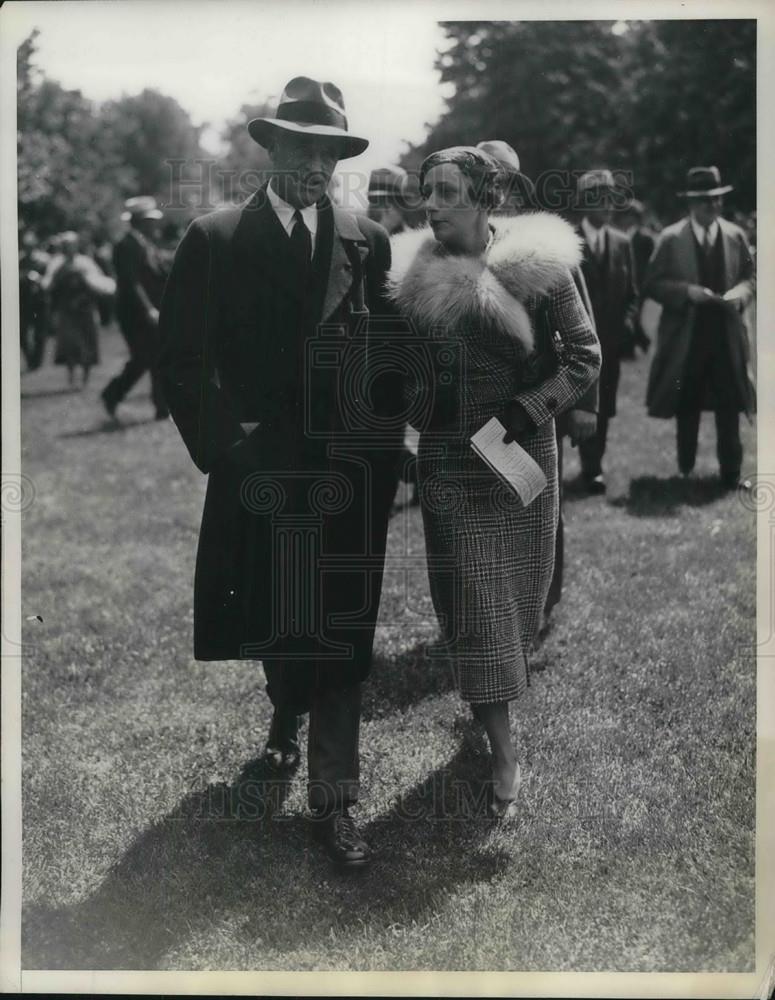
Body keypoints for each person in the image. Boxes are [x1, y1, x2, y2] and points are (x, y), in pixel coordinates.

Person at [158, 76, 401, 869]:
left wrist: (384, 444)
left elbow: (387, 358)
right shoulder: (216, 238)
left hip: (346, 480)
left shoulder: (367, 238)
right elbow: (183, 364)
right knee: (273, 614)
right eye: (301, 147)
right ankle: (281, 720)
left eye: (328, 151)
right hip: (261, 474)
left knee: (340, 627)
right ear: (272, 149)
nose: (315, 164)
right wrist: (232, 450)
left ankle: (335, 800)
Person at [386, 147, 600, 818]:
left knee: (518, 604)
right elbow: (395, 367)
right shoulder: (412, 273)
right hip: (450, 460)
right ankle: (503, 750)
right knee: (475, 606)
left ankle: (492, 711)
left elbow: (584, 356)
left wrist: (526, 410)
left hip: (519, 459)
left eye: (447, 192)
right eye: (427, 193)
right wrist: (409, 417)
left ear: (485, 199)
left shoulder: (539, 265)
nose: (432, 206)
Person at [476, 140, 598, 633]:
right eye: (487, 181)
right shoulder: (465, 240)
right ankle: (494, 609)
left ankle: (544, 598)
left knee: (543, 500)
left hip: (542, 399)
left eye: (504, 182)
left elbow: (582, 335)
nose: (497, 192)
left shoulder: (547, 243)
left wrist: (586, 404)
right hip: (482, 405)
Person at [643, 166, 755, 489]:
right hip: (687, 336)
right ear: (691, 204)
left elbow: (752, 278)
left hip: (726, 334)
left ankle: (731, 473)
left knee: (730, 402)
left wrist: (740, 294)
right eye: (706, 201)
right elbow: (652, 284)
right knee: (687, 402)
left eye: (717, 200)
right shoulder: (671, 238)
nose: (713, 207)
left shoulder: (735, 236)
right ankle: (686, 469)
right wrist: (686, 293)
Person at [574, 169, 640, 494]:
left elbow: (632, 293)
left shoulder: (623, 243)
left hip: (610, 344)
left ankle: (593, 467)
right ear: (585, 203)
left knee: (605, 407)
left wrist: (628, 321)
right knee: (578, 406)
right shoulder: (568, 241)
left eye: (611, 200)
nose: (608, 206)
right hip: (575, 345)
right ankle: (584, 465)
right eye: (600, 199)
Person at [365, 165, 420, 509]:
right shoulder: (359, 237)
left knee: (388, 436)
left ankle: (408, 476)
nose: (380, 206)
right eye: (374, 198)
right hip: (364, 355)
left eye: (388, 200)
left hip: (400, 357)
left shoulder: (416, 244)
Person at [101, 196, 169, 420]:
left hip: (149, 311)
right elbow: (131, 283)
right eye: (150, 221)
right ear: (139, 222)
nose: (154, 225)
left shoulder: (146, 244)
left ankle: (161, 408)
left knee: (154, 356)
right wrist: (148, 309)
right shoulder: (125, 246)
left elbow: (159, 276)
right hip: (134, 313)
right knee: (144, 357)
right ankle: (112, 394)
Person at [42, 231, 115, 388]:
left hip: (85, 308)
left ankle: (85, 379)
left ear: (76, 246)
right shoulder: (56, 264)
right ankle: (71, 378)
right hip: (66, 309)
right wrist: (58, 277)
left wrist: (85, 280)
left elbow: (101, 285)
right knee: (69, 345)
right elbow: (48, 285)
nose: (69, 248)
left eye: (71, 245)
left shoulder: (85, 262)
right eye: (66, 246)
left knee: (87, 343)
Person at [620, 198, 657, 359]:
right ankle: (640, 342)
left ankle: (636, 345)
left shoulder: (646, 238)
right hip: (626, 283)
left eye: (631, 216)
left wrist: (647, 283)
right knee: (631, 315)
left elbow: (652, 263)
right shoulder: (622, 236)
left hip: (641, 284)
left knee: (635, 315)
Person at [18, 231, 50, 371]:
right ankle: (30, 358)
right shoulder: (19, 260)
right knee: (22, 333)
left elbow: (49, 279)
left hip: (39, 301)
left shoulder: (43, 260)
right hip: (24, 300)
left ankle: (36, 361)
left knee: (40, 333)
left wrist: (38, 279)